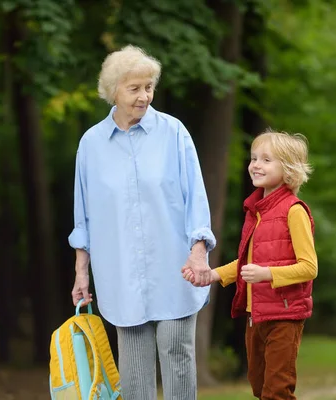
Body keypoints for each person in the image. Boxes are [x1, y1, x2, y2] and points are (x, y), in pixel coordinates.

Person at [68, 44, 216, 400]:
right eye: (134, 88)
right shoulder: (91, 145)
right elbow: (83, 216)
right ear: (112, 91)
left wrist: (198, 251)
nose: (144, 96)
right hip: (120, 272)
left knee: (177, 357)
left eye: (149, 87)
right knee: (133, 374)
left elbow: (196, 197)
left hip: (176, 268)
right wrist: (81, 272)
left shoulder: (174, 133)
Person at [183, 130, 319, 400]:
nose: (255, 164)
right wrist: (212, 274)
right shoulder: (256, 211)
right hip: (255, 316)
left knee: (277, 390)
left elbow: (309, 267)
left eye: (266, 160)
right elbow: (247, 264)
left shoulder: (294, 210)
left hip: (285, 316)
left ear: (289, 168)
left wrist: (267, 274)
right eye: (254, 158)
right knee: (259, 386)